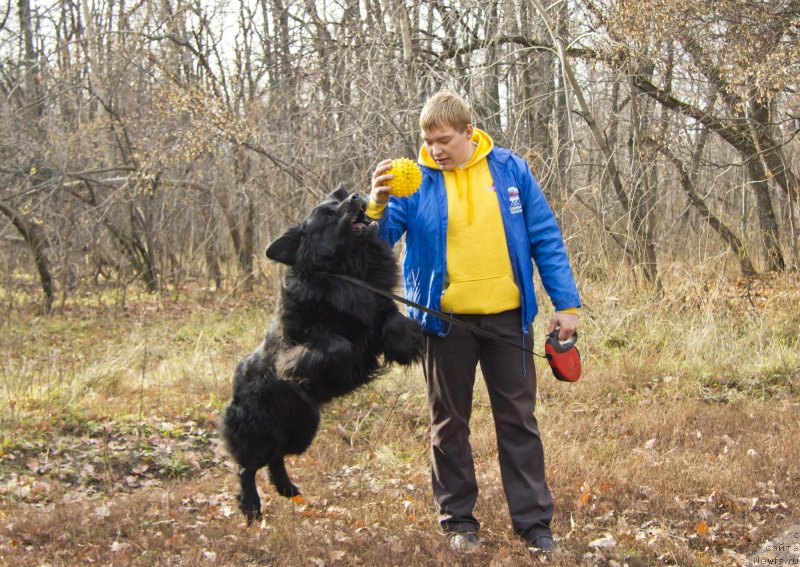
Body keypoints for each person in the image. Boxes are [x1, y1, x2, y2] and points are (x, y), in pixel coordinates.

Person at [366, 90, 580, 555]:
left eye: (444, 140)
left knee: (518, 421)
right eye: (428, 141)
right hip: (442, 324)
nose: (436, 149)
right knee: (449, 424)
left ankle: (534, 525)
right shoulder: (413, 181)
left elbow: (545, 235)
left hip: (508, 318)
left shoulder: (509, 170)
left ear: (468, 131)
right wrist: (377, 205)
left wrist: (566, 303)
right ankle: (459, 522)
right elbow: (378, 245)